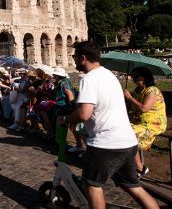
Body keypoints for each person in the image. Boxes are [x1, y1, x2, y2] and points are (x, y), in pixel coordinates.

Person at [61, 41, 158, 209]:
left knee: (92, 185)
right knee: (133, 186)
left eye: (75, 57)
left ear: (83, 58)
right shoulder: (109, 75)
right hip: (127, 141)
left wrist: (67, 119)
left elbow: (84, 113)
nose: (74, 60)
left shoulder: (89, 79)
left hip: (106, 144)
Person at [124, 67, 167, 177]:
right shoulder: (138, 90)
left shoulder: (152, 90)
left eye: (134, 76)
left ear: (142, 78)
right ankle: (137, 166)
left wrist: (130, 98)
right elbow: (132, 108)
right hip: (140, 122)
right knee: (121, 132)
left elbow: (144, 108)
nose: (132, 78)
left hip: (154, 124)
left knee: (128, 135)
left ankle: (139, 167)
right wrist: (126, 101)